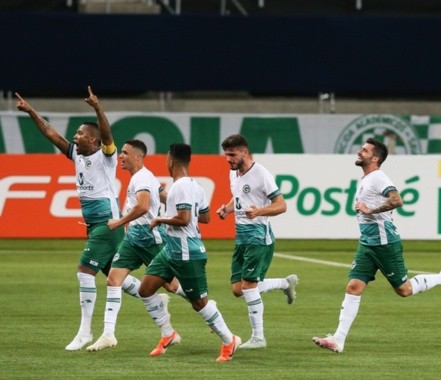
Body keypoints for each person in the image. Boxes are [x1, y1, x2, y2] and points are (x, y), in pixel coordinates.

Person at [15, 87, 140, 351]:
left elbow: (107, 134)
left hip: (108, 222)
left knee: (85, 270)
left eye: (81, 133)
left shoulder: (105, 157)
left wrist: (97, 108)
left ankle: (84, 332)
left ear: (93, 141)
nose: (76, 136)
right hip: (95, 224)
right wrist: (31, 111)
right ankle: (164, 303)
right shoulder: (77, 155)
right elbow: (52, 133)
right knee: (118, 277)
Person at [312, 138, 441, 354]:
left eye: (364, 150)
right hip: (367, 244)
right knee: (353, 287)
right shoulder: (366, 179)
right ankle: (338, 339)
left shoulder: (378, 178)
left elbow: (397, 200)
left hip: (385, 244)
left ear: (375, 158)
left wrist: (369, 210)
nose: (359, 152)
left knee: (404, 290)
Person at [137, 143, 240, 362]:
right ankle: (168, 334)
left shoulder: (181, 186)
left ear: (171, 161)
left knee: (199, 304)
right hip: (171, 251)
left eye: (166, 159)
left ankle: (229, 339)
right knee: (145, 289)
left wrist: (160, 219)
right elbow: (204, 217)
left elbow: (184, 219)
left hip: (187, 253)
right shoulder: (196, 186)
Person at [86, 139, 183, 352]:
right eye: (121, 152)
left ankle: (204, 304)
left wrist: (119, 222)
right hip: (133, 240)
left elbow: (143, 206)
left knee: (172, 286)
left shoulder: (142, 177)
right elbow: (165, 196)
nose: (120, 156)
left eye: (125, 152)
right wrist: (176, 212)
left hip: (151, 239)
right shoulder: (144, 178)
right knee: (113, 280)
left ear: (138, 157)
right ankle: (108, 334)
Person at [216, 134, 298, 350]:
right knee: (237, 289)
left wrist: (260, 211)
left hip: (259, 235)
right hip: (241, 235)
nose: (228, 159)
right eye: (226, 155)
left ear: (244, 152)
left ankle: (258, 337)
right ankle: (284, 283)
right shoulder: (233, 173)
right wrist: (227, 208)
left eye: (232, 155)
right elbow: (239, 198)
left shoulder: (261, 174)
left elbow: (281, 205)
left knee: (249, 285)